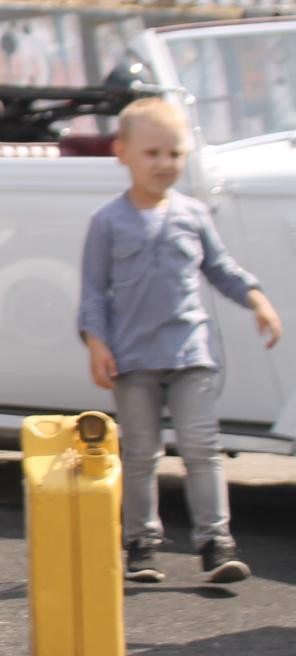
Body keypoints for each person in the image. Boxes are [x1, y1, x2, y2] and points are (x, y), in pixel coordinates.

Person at [76, 97, 281, 585]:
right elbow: (93, 294)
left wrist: (257, 299)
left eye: (174, 153)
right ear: (122, 153)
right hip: (132, 360)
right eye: (152, 154)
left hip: (191, 354)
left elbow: (222, 270)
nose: (164, 164)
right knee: (142, 452)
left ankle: (215, 542)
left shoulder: (193, 214)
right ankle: (141, 543)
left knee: (201, 448)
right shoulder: (108, 222)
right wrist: (96, 344)